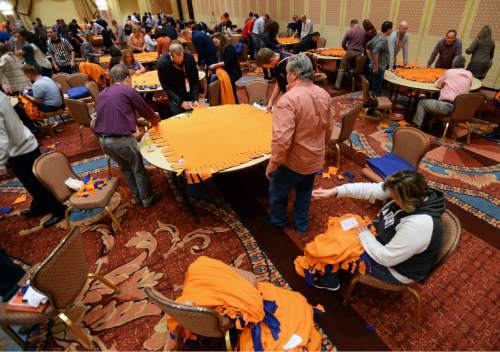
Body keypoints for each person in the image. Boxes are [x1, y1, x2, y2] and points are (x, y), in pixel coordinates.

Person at [311, 170, 445, 289]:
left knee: (334, 247)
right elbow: (371, 190)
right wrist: (334, 191)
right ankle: (336, 265)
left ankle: (330, 282)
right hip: (386, 238)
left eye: (394, 199)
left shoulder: (419, 225)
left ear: (407, 200)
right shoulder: (413, 191)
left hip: (394, 269)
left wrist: (365, 235)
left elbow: (386, 258)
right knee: (342, 226)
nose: (390, 199)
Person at [265, 55, 332, 234]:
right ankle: (301, 226)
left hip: (294, 161)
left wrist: (273, 164)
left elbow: (282, 140)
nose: (285, 77)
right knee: (304, 192)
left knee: (277, 192)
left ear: (294, 74)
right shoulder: (324, 94)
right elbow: (329, 130)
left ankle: (278, 222)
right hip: (315, 158)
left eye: (287, 73)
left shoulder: (288, 100)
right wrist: (322, 150)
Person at [94, 64, 162, 208]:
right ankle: (148, 199)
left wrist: (136, 120)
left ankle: (137, 196)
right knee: (138, 168)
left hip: (103, 141)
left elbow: (114, 115)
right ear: (127, 78)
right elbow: (147, 112)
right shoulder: (127, 90)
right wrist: (156, 120)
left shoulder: (103, 93)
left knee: (125, 168)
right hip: (121, 140)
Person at [0, 90, 66, 227]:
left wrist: (0, 164)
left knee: (38, 183)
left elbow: (1, 139)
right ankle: (41, 205)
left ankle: (59, 210)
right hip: (21, 144)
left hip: (20, 149)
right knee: (32, 184)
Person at [413, 55, 472, 128]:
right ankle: (429, 123)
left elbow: (437, 85)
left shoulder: (450, 72)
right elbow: (468, 89)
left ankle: (416, 126)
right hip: (460, 109)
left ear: (453, 63)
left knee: (422, 102)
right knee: (435, 99)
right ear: (464, 65)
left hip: (447, 107)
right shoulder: (469, 74)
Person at [157, 44, 200, 115]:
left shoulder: (189, 56)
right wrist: (180, 102)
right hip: (175, 95)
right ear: (171, 55)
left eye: (181, 60)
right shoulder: (162, 63)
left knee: (194, 116)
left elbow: (195, 79)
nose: (180, 63)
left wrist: (196, 99)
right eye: (177, 61)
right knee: (180, 117)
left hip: (189, 91)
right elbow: (166, 87)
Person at [209, 33, 242, 102]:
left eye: (216, 42)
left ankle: (233, 102)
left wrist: (215, 65)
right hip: (226, 71)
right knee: (213, 76)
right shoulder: (219, 48)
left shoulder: (229, 47)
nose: (215, 44)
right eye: (214, 42)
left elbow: (227, 62)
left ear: (221, 40)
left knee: (230, 89)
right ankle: (220, 100)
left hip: (233, 72)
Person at [334, 19, 366, 89]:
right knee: (353, 68)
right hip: (359, 54)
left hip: (350, 52)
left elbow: (343, 43)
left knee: (342, 68)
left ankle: (337, 85)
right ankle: (350, 83)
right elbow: (364, 43)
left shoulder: (350, 31)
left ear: (351, 24)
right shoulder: (364, 32)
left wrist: (346, 49)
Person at [365, 21, 393, 96]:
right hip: (379, 68)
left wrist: (371, 60)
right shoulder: (383, 40)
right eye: (391, 29)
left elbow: (367, 46)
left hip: (372, 66)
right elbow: (375, 51)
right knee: (375, 91)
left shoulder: (378, 36)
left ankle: (368, 102)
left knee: (371, 88)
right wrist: (377, 66)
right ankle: (372, 105)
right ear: (389, 29)